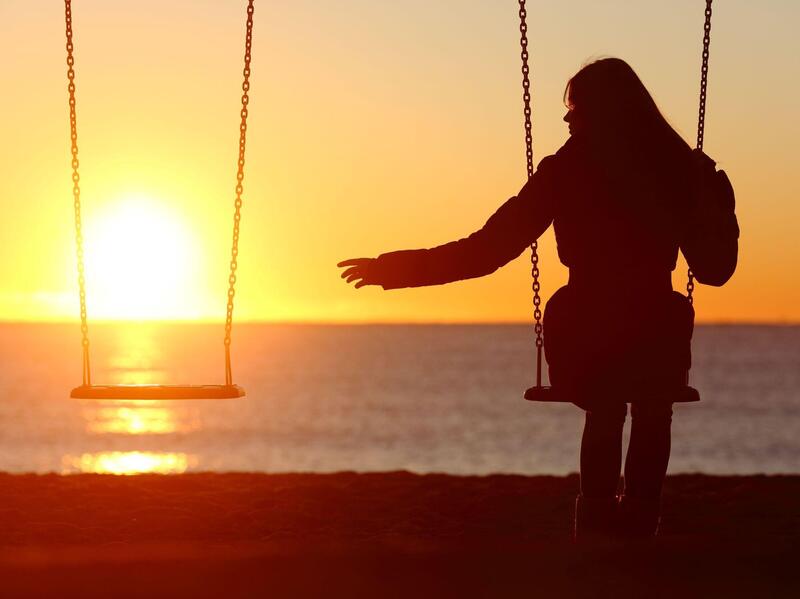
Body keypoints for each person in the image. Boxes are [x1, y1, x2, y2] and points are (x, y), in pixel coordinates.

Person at [338, 58, 739, 540]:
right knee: (651, 407)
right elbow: (715, 270)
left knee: (609, 405)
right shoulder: (678, 169)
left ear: (603, 112)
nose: (567, 121)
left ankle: (596, 533)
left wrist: (397, 270)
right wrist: (714, 201)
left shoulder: (568, 171)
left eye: (575, 109)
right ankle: (637, 528)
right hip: (654, 331)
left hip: (591, 330)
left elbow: (487, 250)